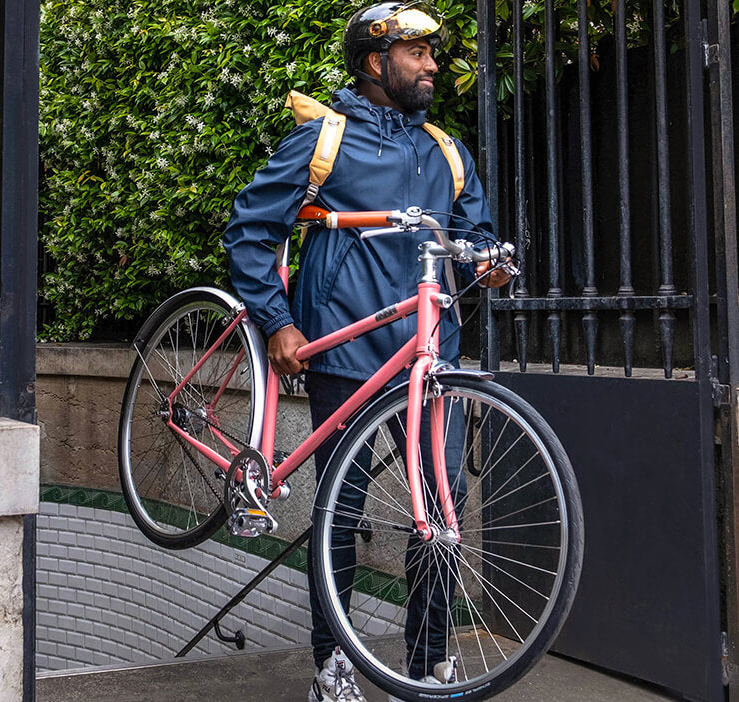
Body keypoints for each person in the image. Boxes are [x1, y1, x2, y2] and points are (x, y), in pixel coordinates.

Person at [223, 3, 510, 700]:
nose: (432, 64)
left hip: (428, 352)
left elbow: (471, 238)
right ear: (376, 62)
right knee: (340, 511)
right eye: (416, 53)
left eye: (430, 53)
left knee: (441, 509)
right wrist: (277, 321)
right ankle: (334, 664)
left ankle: (429, 658)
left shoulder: (446, 149)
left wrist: (485, 263)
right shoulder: (325, 140)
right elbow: (250, 232)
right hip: (345, 344)